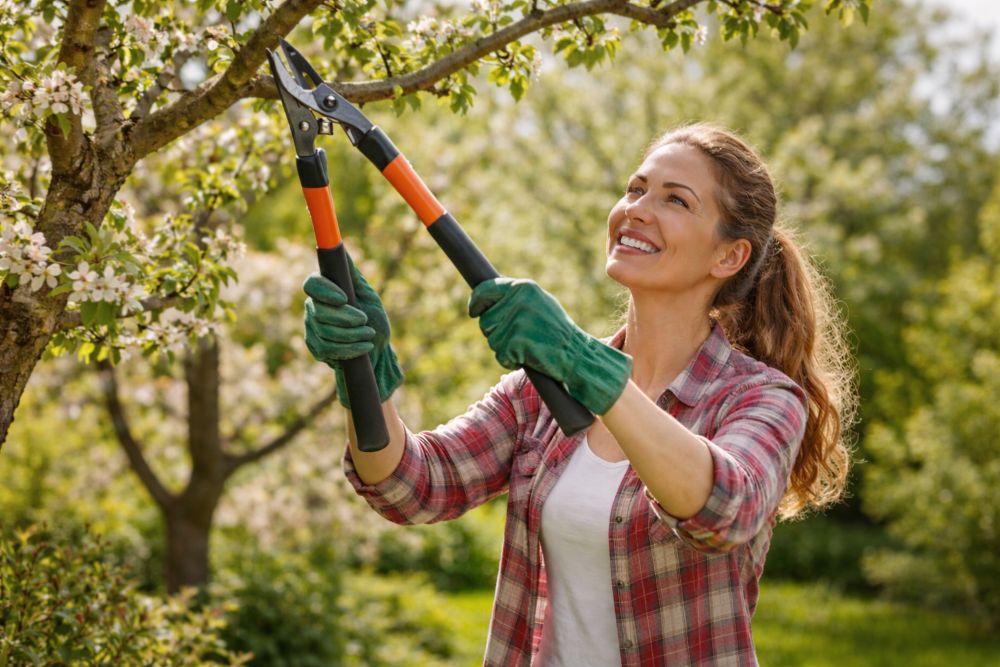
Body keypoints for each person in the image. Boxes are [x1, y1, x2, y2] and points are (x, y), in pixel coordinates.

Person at [303, 122, 855, 666]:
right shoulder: (540, 390)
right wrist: (362, 376)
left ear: (729, 257)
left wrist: (581, 360)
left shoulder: (761, 398)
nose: (636, 208)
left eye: (676, 201)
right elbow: (412, 486)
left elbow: (725, 510)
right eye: (635, 189)